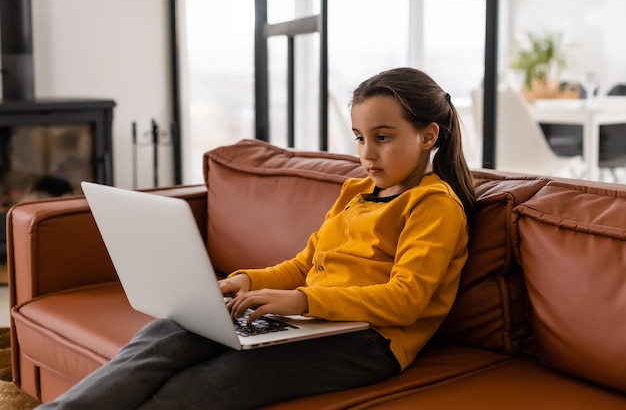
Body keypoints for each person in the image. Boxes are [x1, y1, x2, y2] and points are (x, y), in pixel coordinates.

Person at [37, 67, 476, 410]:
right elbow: (306, 265)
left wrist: (303, 302)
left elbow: (407, 300)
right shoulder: (356, 191)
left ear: (427, 136)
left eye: (383, 138)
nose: (366, 153)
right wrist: (247, 280)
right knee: (166, 334)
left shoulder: (434, 205)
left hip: (369, 342)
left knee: (202, 387)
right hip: (315, 321)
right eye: (360, 138)